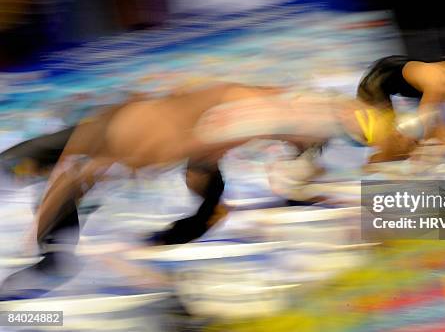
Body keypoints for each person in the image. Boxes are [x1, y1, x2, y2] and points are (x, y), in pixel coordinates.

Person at [0, 82, 415, 298]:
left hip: (120, 143)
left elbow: (224, 139)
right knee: (54, 257)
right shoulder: (157, 146)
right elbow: (75, 173)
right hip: (108, 149)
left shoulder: (232, 119)